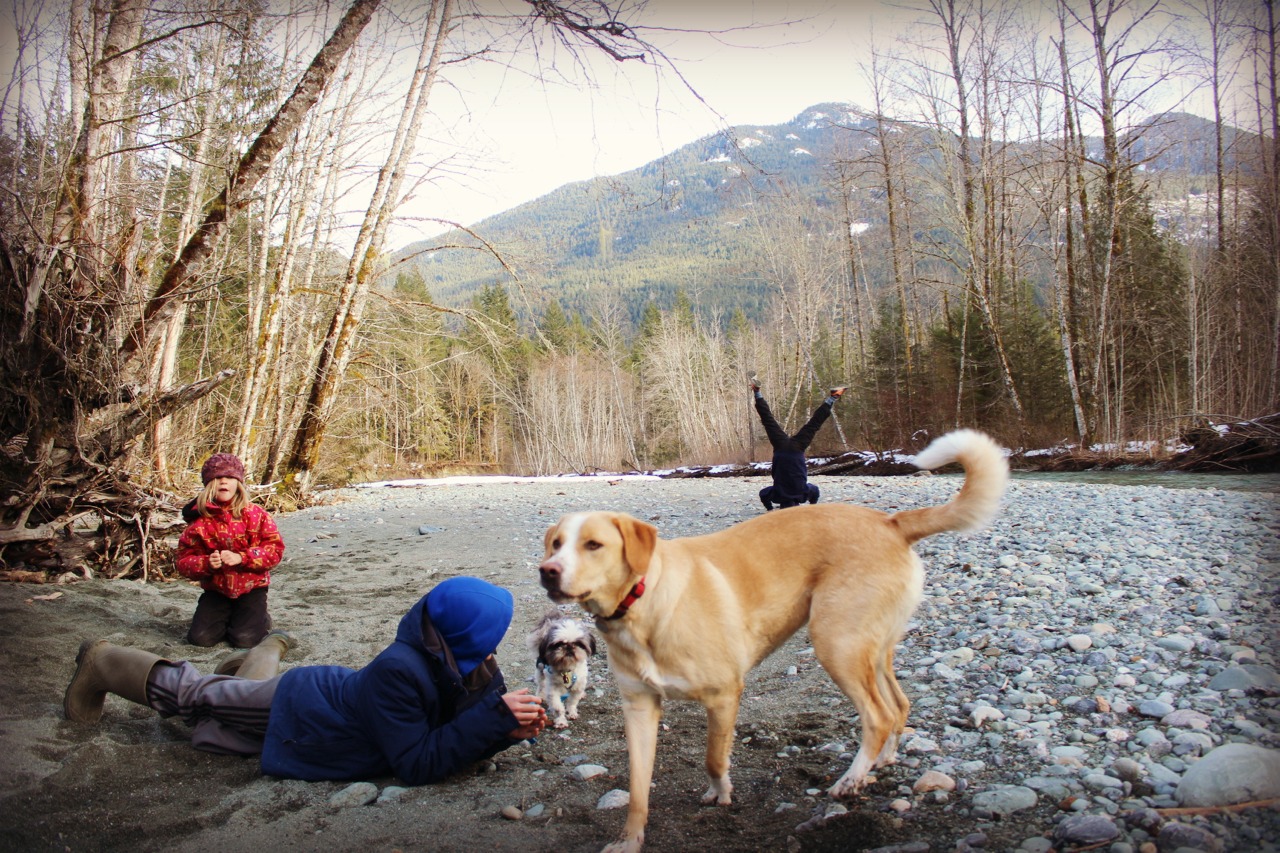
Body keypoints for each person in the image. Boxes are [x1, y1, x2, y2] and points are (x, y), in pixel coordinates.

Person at [63, 577, 548, 785]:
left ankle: (263, 650)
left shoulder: (475, 665)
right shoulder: (400, 668)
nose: (494, 649)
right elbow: (416, 764)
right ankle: (103, 663)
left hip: (339, 720)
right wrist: (492, 723)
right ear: (461, 636)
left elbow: (455, 735)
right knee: (197, 697)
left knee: (226, 707)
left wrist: (503, 731)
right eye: (490, 636)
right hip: (305, 709)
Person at [175, 453, 284, 648]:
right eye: (217, 477)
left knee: (245, 639)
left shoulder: (256, 515)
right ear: (208, 484)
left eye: (230, 477)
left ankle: (261, 618)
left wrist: (242, 558)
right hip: (217, 589)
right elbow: (183, 562)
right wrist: (206, 563)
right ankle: (230, 617)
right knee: (201, 639)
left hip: (252, 588)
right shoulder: (198, 522)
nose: (223, 481)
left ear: (238, 483)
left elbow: (274, 551)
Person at [752, 378, 846, 511]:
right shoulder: (777, 495)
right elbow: (763, 495)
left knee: (813, 425)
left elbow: (815, 492)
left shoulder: (803, 494)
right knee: (769, 421)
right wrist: (769, 508)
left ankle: (833, 397)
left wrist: (812, 505)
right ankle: (757, 393)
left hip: (797, 448)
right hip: (782, 447)